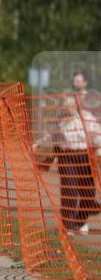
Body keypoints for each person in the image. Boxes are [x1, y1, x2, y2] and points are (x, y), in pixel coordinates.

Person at [34, 96, 101, 234]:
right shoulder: (60, 120)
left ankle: (80, 221)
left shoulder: (86, 118)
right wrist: (38, 144)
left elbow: (98, 136)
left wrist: (99, 152)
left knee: (88, 193)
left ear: (76, 106)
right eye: (64, 106)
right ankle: (68, 225)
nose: (66, 109)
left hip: (85, 157)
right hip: (66, 157)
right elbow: (51, 136)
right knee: (69, 191)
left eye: (69, 106)